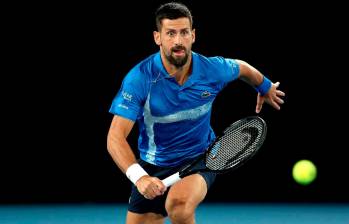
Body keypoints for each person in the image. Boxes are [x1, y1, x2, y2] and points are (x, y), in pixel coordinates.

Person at [107, 2, 285, 224]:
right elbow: (115, 137)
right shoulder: (140, 79)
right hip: (152, 165)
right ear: (157, 38)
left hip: (201, 157)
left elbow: (242, 68)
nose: (178, 41)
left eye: (184, 32)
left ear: (193, 35)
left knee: (179, 207)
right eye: (170, 33)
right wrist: (139, 176)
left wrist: (265, 86)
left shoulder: (212, 69)